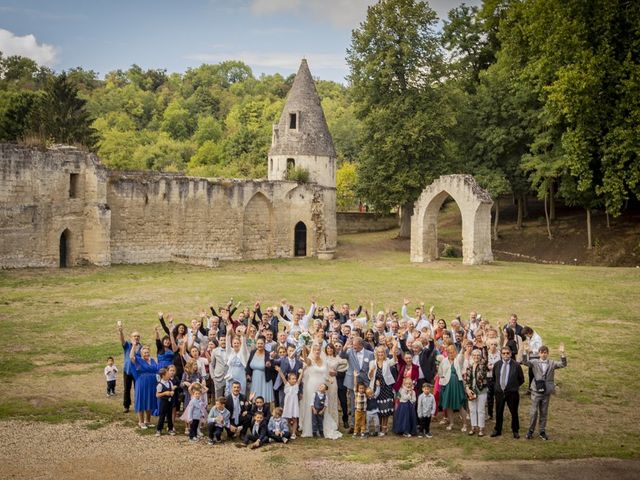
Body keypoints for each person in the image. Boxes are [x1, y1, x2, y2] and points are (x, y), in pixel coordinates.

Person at [523, 343, 567, 440]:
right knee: (534, 412)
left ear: (548, 354)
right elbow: (525, 362)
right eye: (542, 352)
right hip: (536, 391)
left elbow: (563, 364)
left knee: (544, 412)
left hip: (546, 391)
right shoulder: (534, 362)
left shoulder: (552, 363)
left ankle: (542, 431)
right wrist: (525, 351)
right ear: (539, 353)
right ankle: (530, 430)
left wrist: (562, 353)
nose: (543, 354)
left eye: (545, 353)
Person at [300, 342, 342, 439]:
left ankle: (322, 428)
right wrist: (303, 349)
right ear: (312, 351)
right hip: (312, 385)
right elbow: (305, 360)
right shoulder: (310, 360)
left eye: (318, 350)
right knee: (312, 405)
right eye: (315, 350)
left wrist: (329, 380)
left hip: (322, 385)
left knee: (321, 405)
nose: (317, 352)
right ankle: (311, 429)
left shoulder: (324, 361)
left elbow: (325, 374)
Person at [340, 337, 374, 433]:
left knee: (366, 403)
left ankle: (364, 425)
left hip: (366, 381)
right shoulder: (350, 351)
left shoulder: (370, 354)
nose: (353, 347)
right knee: (353, 404)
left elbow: (371, 367)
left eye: (355, 346)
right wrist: (345, 346)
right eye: (353, 345)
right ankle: (353, 425)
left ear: (361, 345)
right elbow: (341, 355)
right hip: (352, 380)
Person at [491, 347, 525, 439]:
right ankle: (497, 429)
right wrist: (497, 387)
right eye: (503, 353)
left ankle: (515, 430)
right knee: (499, 411)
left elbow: (521, 379)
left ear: (510, 354)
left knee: (514, 412)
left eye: (507, 353)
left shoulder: (516, 365)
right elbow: (494, 378)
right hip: (499, 393)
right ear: (501, 354)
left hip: (512, 393)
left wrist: (513, 387)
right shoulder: (497, 364)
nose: (505, 355)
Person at [368, 343, 397, 436]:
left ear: (384, 353)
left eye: (382, 352)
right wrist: (372, 370)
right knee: (379, 409)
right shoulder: (372, 363)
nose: (380, 354)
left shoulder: (387, 361)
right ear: (376, 353)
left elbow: (395, 360)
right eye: (379, 352)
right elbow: (370, 377)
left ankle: (384, 428)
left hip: (386, 388)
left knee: (386, 408)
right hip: (376, 388)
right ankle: (379, 427)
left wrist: (394, 349)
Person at [129, 342, 159, 429]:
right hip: (142, 382)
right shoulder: (138, 360)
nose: (146, 354)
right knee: (142, 400)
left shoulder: (153, 360)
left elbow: (156, 370)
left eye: (147, 352)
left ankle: (148, 421)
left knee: (149, 400)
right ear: (141, 353)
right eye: (145, 352)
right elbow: (131, 357)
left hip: (152, 383)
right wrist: (134, 346)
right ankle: (141, 422)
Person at [438, 344, 468, 432]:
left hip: (457, 384)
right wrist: (442, 380)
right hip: (447, 385)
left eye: (453, 351)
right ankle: (451, 423)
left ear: (456, 352)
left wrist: (462, 348)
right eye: (449, 351)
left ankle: (465, 424)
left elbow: (461, 355)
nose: (451, 353)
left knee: (460, 405)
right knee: (449, 405)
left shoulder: (458, 360)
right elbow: (440, 372)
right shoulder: (444, 361)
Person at [117, 322, 141, 413]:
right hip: (127, 371)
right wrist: (120, 331)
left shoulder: (142, 347)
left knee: (137, 389)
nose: (136, 337)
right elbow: (122, 340)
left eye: (138, 336)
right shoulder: (127, 345)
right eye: (134, 336)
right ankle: (126, 406)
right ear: (131, 338)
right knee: (127, 388)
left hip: (137, 371)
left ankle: (137, 405)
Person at [465, 349, 489, 437]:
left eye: (478, 355)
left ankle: (481, 428)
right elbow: (467, 379)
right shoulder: (469, 366)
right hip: (471, 390)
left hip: (482, 390)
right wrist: (467, 389)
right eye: (474, 355)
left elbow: (486, 359)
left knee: (481, 410)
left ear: (481, 356)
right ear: (472, 356)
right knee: (472, 409)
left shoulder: (483, 365)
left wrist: (485, 347)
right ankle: (473, 427)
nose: (476, 357)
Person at [276, 368, 302, 439]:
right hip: (288, 405)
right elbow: (283, 378)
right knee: (287, 419)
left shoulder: (296, 386)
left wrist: (303, 371)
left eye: (295, 378)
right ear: (289, 380)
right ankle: (289, 431)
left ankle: (294, 433)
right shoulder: (287, 385)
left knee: (294, 419)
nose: (295, 380)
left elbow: (300, 379)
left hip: (294, 405)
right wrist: (280, 371)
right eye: (293, 379)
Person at [155, 367, 177, 437]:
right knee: (162, 416)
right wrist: (165, 393)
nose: (169, 375)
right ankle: (159, 429)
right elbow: (157, 395)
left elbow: (172, 389)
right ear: (163, 376)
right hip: (163, 402)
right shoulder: (160, 385)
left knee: (169, 416)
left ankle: (170, 428)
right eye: (167, 374)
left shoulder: (170, 382)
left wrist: (172, 392)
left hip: (170, 402)